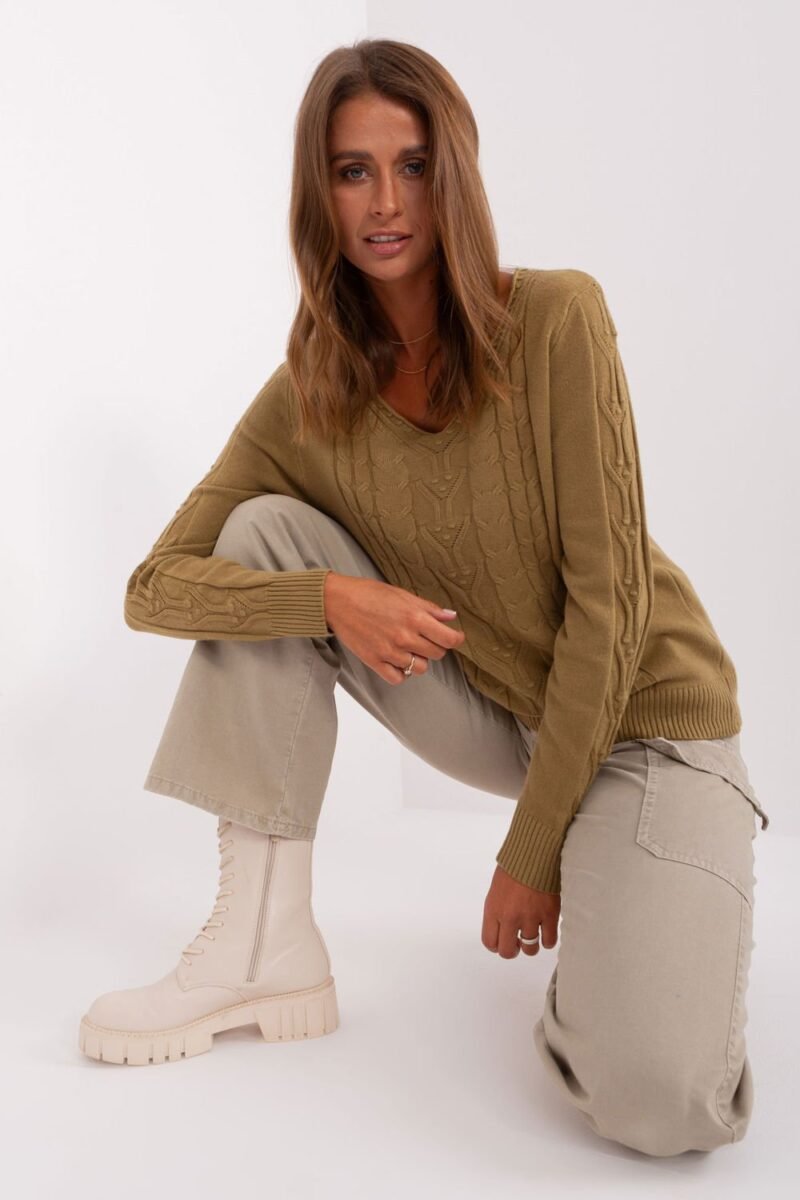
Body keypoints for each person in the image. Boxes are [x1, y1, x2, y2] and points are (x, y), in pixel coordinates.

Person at [78, 38, 769, 1158]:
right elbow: (154, 588)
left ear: (455, 175)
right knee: (262, 540)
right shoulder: (310, 391)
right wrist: (328, 600)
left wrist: (532, 854)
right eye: (352, 171)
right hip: (496, 711)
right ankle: (261, 945)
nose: (386, 203)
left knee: (658, 1104)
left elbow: (609, 614)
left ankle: (632, 934)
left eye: (412, 166)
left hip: (644, 727)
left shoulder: (557, 322)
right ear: (319, 193)